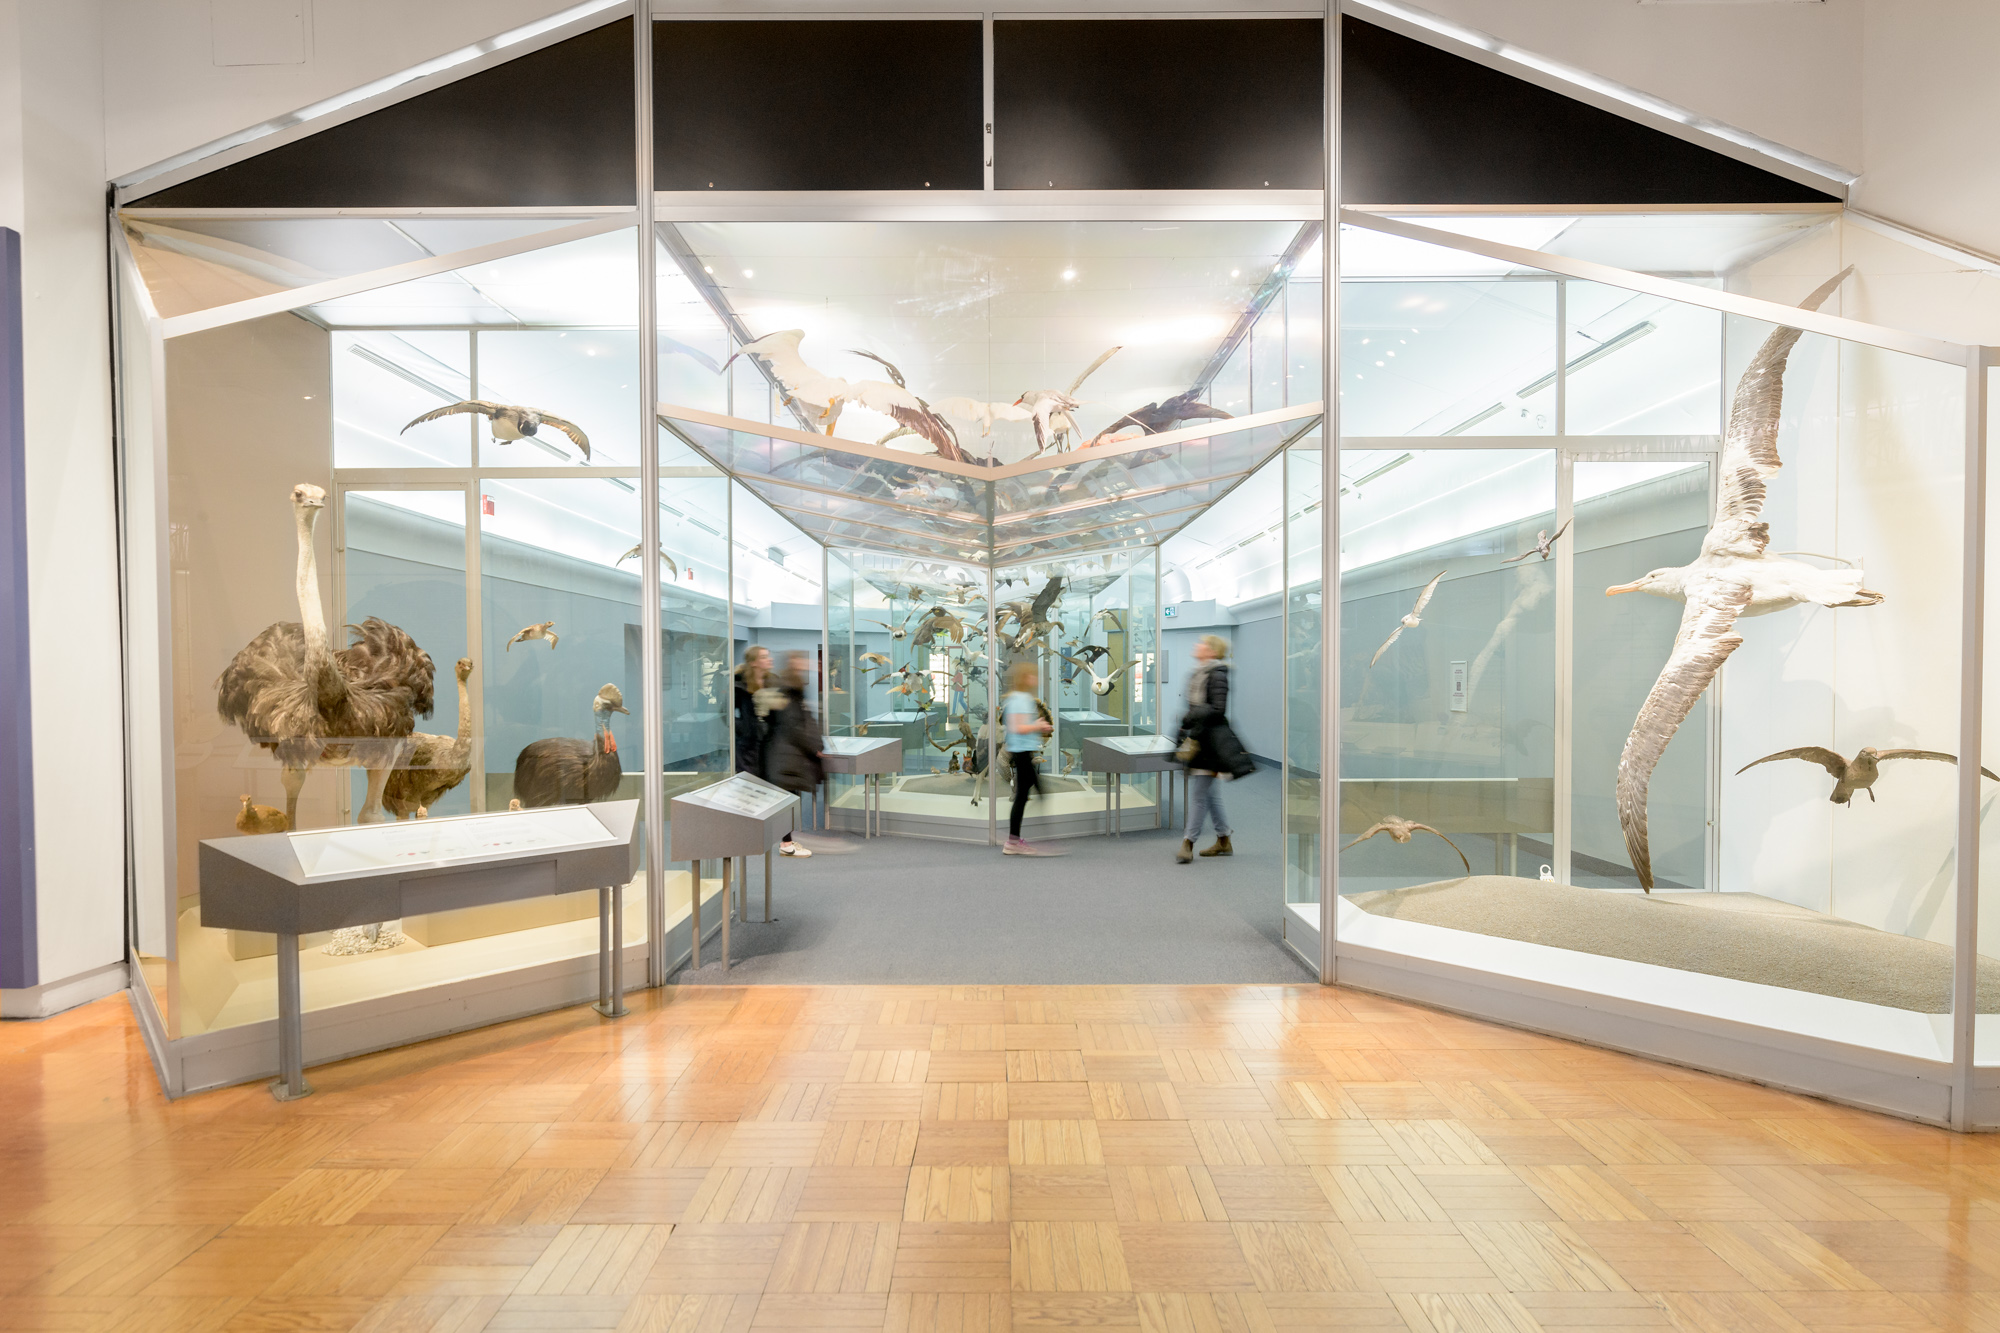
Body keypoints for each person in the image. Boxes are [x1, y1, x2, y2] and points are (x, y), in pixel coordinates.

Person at [1176, 634, 1254, 864]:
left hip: (1211, 743)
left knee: (1200, 793)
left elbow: (1218, 708)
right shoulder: (1198, 674)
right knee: (1209, 794)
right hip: (1200, 739)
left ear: (1211, 650)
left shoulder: (1218, 675)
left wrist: (1191, 715)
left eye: (1200, 643)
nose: (1196, 645)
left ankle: (1188, 843)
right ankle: (1223, 839)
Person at [733, 644, 808, 856]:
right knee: (749, 793)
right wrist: (745, 729)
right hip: (748, 748)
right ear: (754, 661)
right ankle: (747, 837)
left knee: (782, 792)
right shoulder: (738, 684)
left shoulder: (773, 681)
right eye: (765, 657)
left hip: (770, 745)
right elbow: (726, 713)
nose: (770, 660)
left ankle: (786, 843)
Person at [761, 651, 824, 856]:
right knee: (786, 799)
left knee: (788, 798)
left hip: (787, 753)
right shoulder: (788, 690)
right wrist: (812, 747)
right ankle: (786, 845)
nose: (809, 664)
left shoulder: (791, 689)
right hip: (786, 754)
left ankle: (786, 842)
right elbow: (793, 725)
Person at [1001, 660, 1060, 856]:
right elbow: (1017, 727)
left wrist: (1038, 724)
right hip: (1021, 753)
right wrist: (1038, 726)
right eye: (1032, 675)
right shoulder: (1020, 700)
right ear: (1026, 678)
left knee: (1027, 796)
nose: (1035, 678)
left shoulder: (1022, 698)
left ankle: (1015, 840)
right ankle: (1015, 842)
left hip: (1024, 752)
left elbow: (1021, 725)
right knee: (1027, 796)